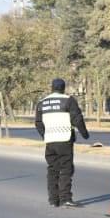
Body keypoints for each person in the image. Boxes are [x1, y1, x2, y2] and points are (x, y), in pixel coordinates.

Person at [35, 77, 89, 207]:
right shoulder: (68, 100)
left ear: (52, 88)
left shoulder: (42, 103)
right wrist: (85, 134)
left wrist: (45, 135)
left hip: (50, 141)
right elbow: (77, 118)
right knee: (66, 169)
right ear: (63, 88)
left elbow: (38, 123)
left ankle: (53, 200)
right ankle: (65, 198)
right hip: (64, 139)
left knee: (52, 169)